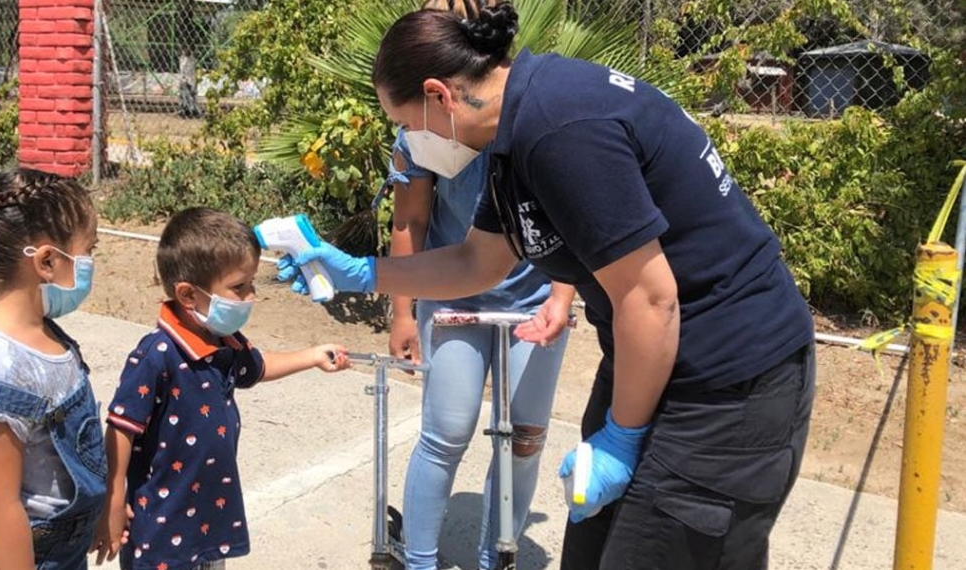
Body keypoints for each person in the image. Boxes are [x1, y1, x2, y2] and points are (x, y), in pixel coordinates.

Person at [277, 2, 816, 569]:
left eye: (406, 124)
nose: (409, 140)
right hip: (654, 359)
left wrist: (623, 437)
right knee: (592, 552)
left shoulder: (560, 130)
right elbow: (475, 265)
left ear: (440, 95)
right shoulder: (515, 133)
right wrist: (362, 273)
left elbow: (650, 298)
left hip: (728, 382)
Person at [371, 3, 573, 569]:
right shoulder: (422, 133)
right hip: (454, 294)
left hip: (533, 302)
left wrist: (561, 296)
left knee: (524, 439)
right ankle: (419, 559)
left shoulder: (531, 122)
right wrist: (403, 313)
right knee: (447, 431)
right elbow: (409, 222)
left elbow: (565, 218)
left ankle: (495, 559)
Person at [92, 207, 353, 570]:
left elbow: (257, 367)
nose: (251, 297)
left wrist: (311, 356)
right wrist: (114, 497)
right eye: (239, 287)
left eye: (250, 284)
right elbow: (121, 426)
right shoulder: (157, 355)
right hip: (160, 528)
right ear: (188, 295)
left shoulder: (223, 340)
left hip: (208, 518)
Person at [0, 168, 107, 570]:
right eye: (89, 251)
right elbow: (0, 507)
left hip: (63, 550)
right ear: (46, 260)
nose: (91, 263)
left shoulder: (42, 330)